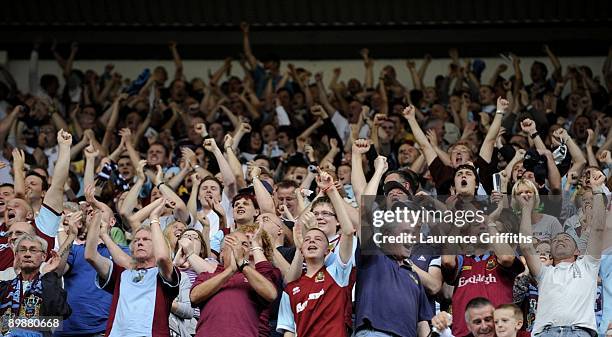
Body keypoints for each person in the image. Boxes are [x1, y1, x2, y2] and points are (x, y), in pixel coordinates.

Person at [518, 185, 606, 337]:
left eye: (566, 238)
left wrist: (598, 191)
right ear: (551, 254)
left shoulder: (588, 266)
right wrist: (526, 210)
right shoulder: (544, 272)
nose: (560, 240)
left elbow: (597, 229)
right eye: (556, 240)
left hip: (580, 332)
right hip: (545, 333)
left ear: (577, 251)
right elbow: (526, 246)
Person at [276, 169, 356, 337]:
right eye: (316, 214)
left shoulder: (346, 244)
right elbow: (290, 285)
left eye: (325, 213)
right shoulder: (304, 249)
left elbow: (350, 230)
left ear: (338, 221)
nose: (319, 217)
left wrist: (331, 191)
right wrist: (302, 245)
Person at [85, 199, 180, 337]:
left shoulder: (164, 274)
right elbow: (90, 255)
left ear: (159, 244)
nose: (140, 243)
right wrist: (97, 218)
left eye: (146, 240)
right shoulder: (121, 274)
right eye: (136, 240)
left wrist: (154, 218)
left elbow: (162, 258)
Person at [190, 231, 278, 337]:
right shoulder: (207, 276)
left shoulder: (254, 277)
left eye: (245, 244)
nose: (238, 247)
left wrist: (242, 264)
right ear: (221, 252)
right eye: (233, 242)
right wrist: (230, 271)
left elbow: (271, 294)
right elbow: (194, 297)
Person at [0, 234, 72, 336]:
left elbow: (60, 315)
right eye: (22, 250)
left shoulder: (48, 285)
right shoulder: (4, 287)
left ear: (44, 256)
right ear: (16, 256)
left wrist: (48, 274)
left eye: (33, 250)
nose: (27, 254)